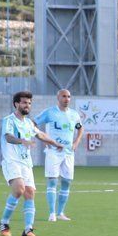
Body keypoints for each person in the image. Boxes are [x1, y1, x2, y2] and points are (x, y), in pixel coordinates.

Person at [0, 91, 63, 236]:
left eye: (29, 103)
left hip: (26, 163)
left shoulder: (28, 123)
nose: (27, 105)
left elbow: (40, 135)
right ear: (16, 104)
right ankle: (4, 222)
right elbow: (8, 137)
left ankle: (28, 229)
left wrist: (55, 143)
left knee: (30, 193)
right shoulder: (9, 120)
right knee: (19, 189)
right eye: (24, 102)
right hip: (11, 161)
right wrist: (22, 141)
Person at [34, 90, 84, 221]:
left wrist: (76, 142)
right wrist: (45, 140)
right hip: (53, 152)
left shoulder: (74, 114)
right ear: (58, 98)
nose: (66, 99)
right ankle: (52, 213)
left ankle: (60, 213)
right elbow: (33, 124)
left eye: (68, 96)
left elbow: (80, 128)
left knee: (66, 182)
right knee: (52, 181)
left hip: (68, 153)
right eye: (64, 96)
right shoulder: (50, 112)